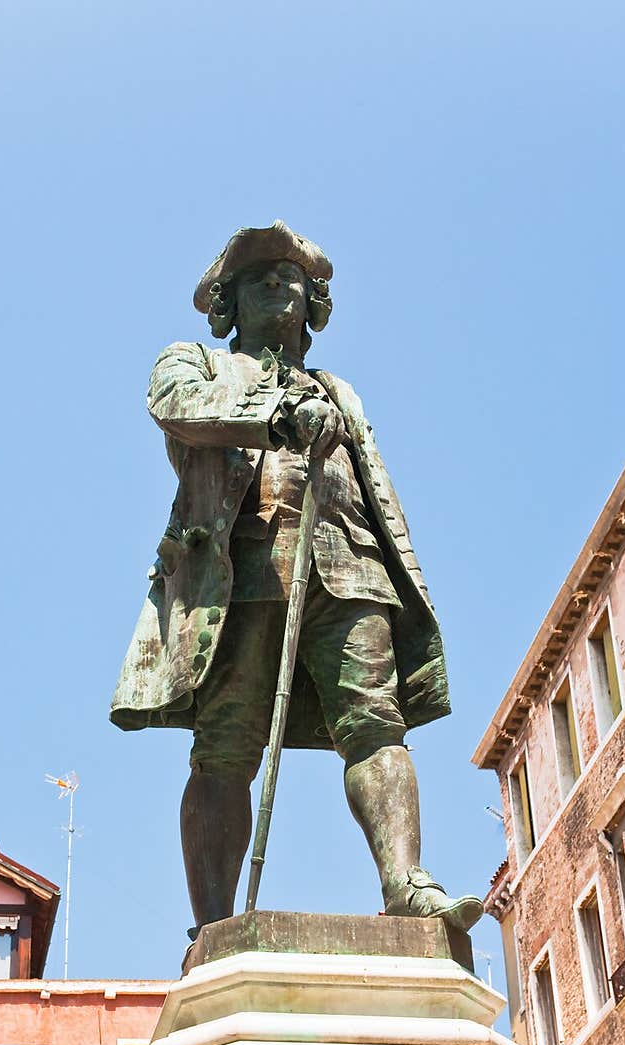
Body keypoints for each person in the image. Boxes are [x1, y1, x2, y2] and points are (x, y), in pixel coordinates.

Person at [111, 222, 483, 944]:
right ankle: (214, 925)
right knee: (224, 749)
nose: (278, 284)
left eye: (291, 277)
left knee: (377, 724)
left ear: (314, 302)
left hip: (347, 565)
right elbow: (176, 406)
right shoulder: (194, 364)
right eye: (258, 276)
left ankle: (407, 885)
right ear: (228, 301)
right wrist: (280, 416)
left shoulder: (340, 388)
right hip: (241, 569)